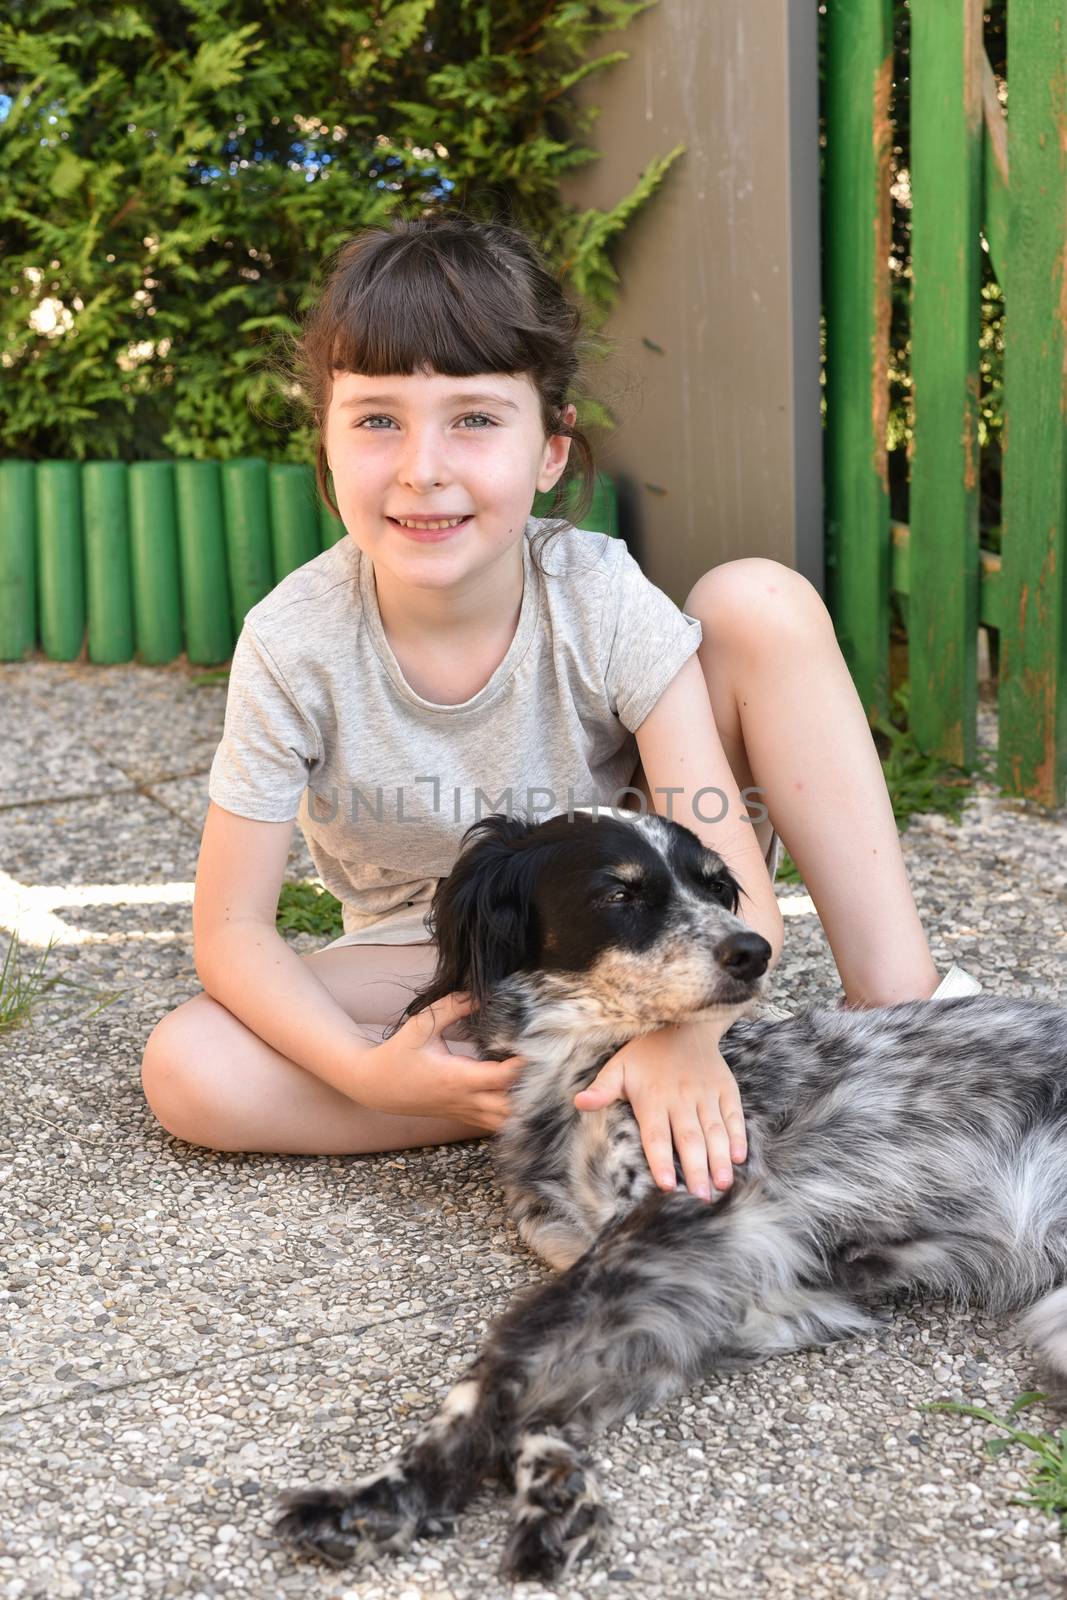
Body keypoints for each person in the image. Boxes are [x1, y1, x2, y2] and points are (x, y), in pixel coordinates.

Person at [141, 212, 978, 1204]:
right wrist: (367, 1071)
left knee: (758, 599)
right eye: (376, 419)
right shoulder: (292, 642)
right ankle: (538, 1092)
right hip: (442, 953)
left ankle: (898, 1008)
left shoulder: (597, 594)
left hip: (645, 919)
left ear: (548, 450)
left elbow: (728, 879)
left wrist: (682, 1028)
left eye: (475, 419)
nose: (422, 467)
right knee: (186, 1067)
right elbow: (232, 933)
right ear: (323, 443)